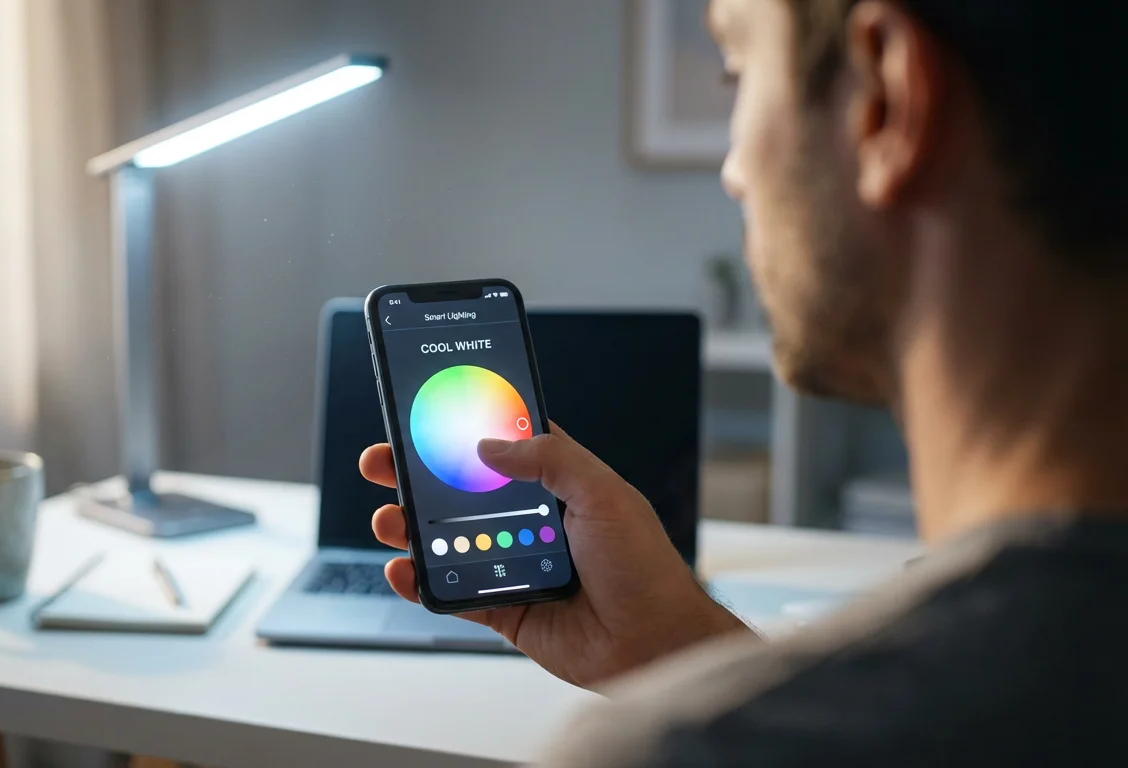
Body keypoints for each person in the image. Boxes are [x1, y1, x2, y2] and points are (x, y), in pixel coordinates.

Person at [360, 0, 1128, 763]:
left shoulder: (678, 751)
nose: (732, 173)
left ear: (887, 101)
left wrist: (712, 718)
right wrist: (685, 651)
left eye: (738, 74)